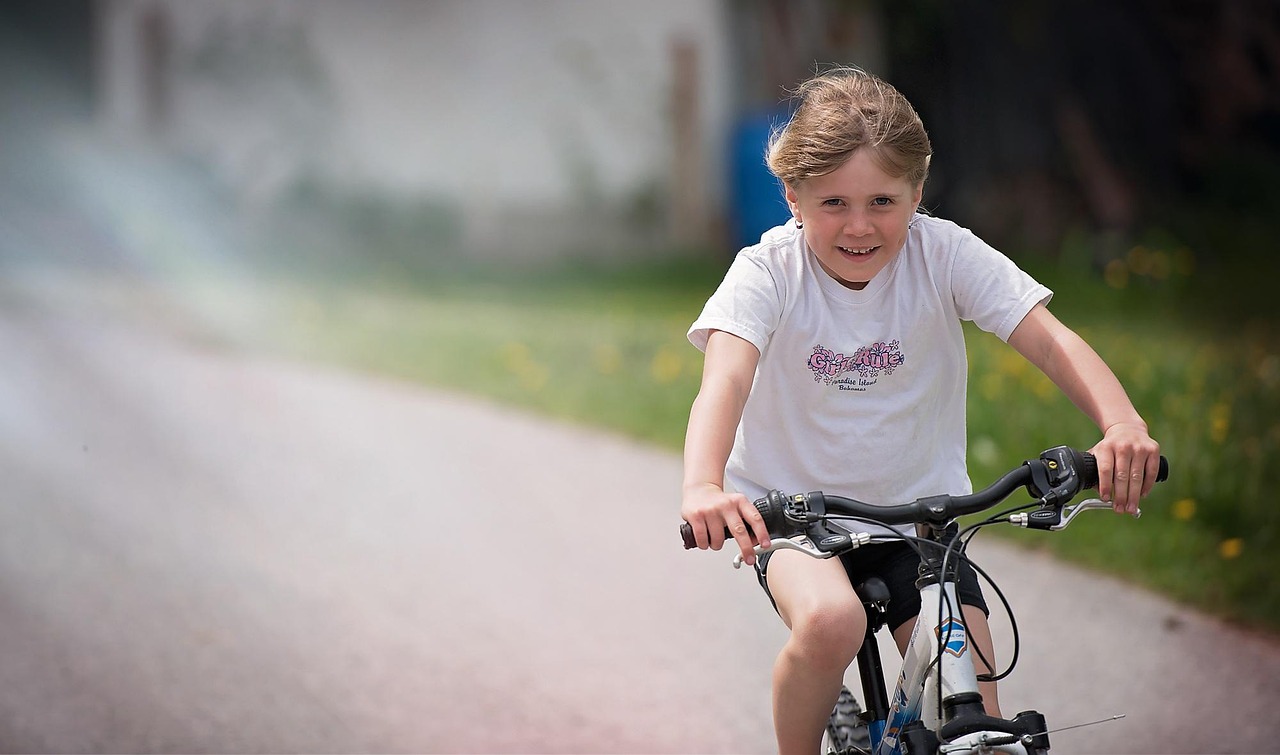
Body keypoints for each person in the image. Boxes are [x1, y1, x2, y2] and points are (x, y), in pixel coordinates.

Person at [679, 66, 1161, 755]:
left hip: (922, 522)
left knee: (977, 718)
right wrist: (704, 484)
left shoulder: (945, 254)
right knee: (831, 624)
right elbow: (725, 379)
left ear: (918, 192)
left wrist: (1122, 425)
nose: (859, 225)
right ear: (792, 197)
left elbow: (1049, 341)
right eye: (834, 203)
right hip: (796, 521)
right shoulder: (767, 273)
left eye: (883, 200)